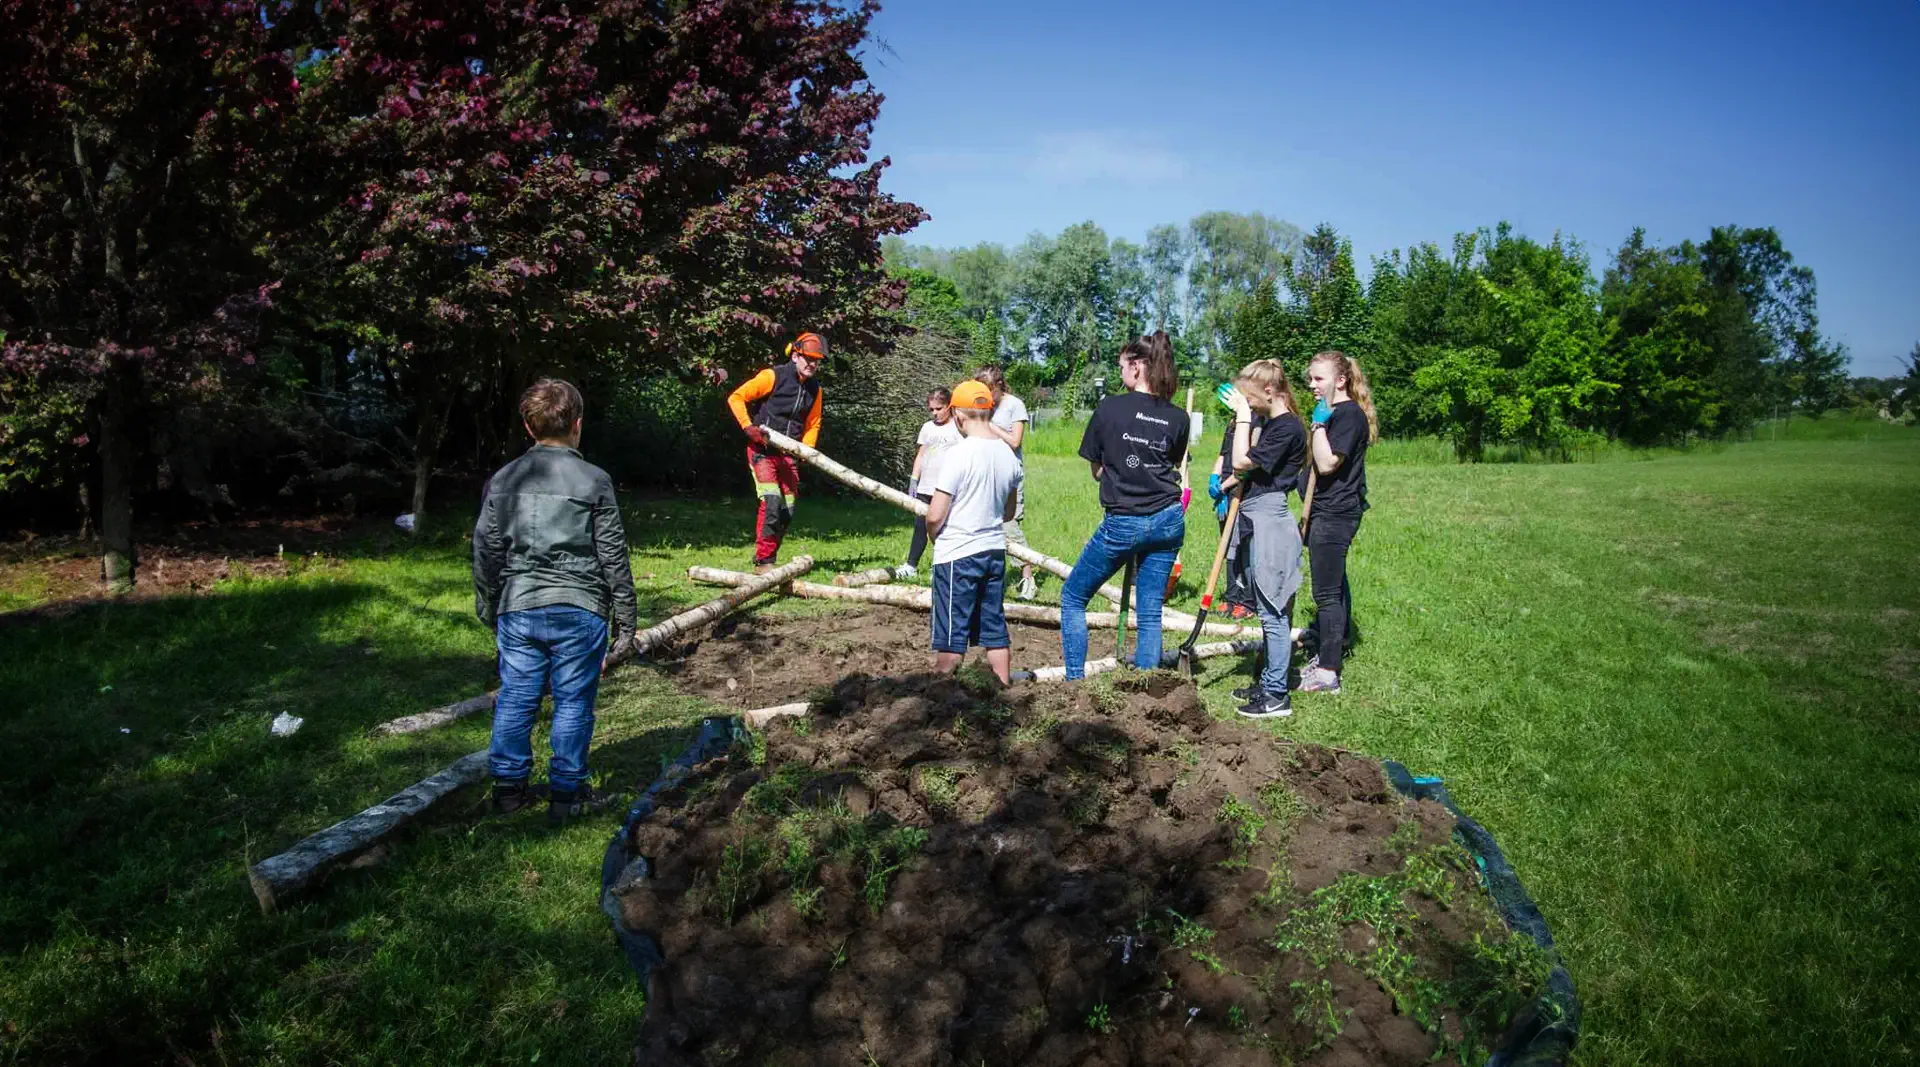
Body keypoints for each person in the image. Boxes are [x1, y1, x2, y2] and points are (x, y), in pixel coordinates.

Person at [473, 379, 637, 824]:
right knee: (573, 702)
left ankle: (508, 791)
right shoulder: (595, 480)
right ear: (578, 425)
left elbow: (486, 549)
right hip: (579, 607)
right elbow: (612, 554)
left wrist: (489, 604)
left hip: (519, 605)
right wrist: (626, 618)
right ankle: (567, 793)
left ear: (529, 427)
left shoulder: (504, 479)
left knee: (516, 698)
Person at [1058, 332, 1191, 679]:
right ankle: (1148, 689)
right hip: (1168, 519)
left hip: (1124, 521)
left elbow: (1097, 468)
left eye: (1122, 367)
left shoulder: (1109, 408)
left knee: (1073, 597)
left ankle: (1074, 682)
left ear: (1137, 367)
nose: (1120, 373)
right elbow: (1171, 464)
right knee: (1149, 612)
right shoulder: (1178, 417)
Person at [1219, 360, 1309, 718]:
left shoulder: (1287, 428)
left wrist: (1243, 417)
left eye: (1251, 398)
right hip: (1260, 514)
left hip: (1271, 521)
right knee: (1269, 610)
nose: (1250, 404)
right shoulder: (1275, 425)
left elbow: (1241, 461)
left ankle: (1276, 696)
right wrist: (1224, 484)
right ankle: (1269, 681)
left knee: (1274, 613)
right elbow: (1249, 471)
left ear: (1270, 391)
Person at [924, 380, 1023, 684]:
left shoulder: (958, 454)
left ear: (958, 417)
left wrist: (933, 534)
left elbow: (936, 513)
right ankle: (1003, 690)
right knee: (994, 629)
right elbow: (1008, 512)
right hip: (993, 551)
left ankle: (939, 699)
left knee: (951, 638)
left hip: (957, 554)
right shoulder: (1008, 456)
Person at [1296, 350, 1377, 695]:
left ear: (1340, 380)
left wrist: (1317, 424)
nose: (1312, 385)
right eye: (1310, 379)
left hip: (1335, 514)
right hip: (1326, 511)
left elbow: (1328, 463)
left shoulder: (1347, 416)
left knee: (1325, 592)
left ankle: (1328, 672)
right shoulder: (1337, 413)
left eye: (1319, 379)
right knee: (1335, 583)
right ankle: (1336, 643)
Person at [726, 332, 827, 572]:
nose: (812, 364)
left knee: (787, 510)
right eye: (807, 359)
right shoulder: (773, 376)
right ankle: (764, 562)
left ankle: (768, 553)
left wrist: (807, 450)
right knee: (771, 501)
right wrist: (748, 426)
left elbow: (813, 423)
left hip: (788, 454)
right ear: (795, 355)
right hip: (762, 450)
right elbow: (736, 397)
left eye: (816, 360)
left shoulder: (815, 389)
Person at [974, 364, 1038, 600]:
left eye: (990, 390)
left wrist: (990, 426)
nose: (987, 396)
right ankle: (993, 579)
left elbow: (1015, 441)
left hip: (1009, 474)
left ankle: (1028, 578)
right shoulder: (981, 403)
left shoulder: (1014, 405)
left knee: (1010, 526)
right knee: (987, 526)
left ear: (999, 386)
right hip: (986, 472)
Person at [896, 387, 961, 579]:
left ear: (949, 406)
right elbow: (921, 454)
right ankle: (911, 565)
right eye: (931, 409)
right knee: (920, 526)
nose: (935, 413)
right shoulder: (927, 427)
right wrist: (914, 479)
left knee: (942, 527)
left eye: (939, 409)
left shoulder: (958, 428)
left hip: (945, 487)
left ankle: (940, 566)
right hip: (925, 485)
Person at [1209, 401, 1260, 621]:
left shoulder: (1258, 422)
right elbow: (1223, 454)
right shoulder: (1233, 422)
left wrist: (1224, 485)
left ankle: (1247, 600)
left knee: (1242, 545)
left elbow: (1247, 466)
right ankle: (1231, 596)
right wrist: (1214, 478)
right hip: (1227, 489)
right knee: (1227, 543)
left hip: (1243, 490)